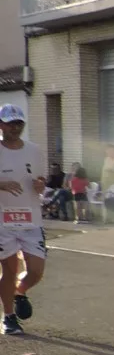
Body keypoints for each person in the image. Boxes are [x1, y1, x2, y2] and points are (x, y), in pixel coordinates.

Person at [0, 105, 49, 336]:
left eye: (19, 123)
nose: (15, 128)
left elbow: (41, 177)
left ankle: (20, 291)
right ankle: (8, 316)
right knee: (9, 270)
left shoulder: (34, 150)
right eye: (10, 123)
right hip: (3, 221)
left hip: (31, 219)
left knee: (37, 270)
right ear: (1, 125)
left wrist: (41, 184)